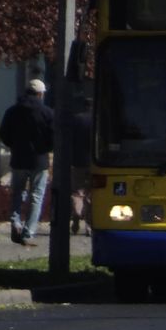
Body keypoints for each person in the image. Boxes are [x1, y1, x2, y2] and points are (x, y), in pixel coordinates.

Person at [0, 79, 55, 246]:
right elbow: (53, 136)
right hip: (39, 160)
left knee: (17, 193)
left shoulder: (12, 111)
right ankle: (28, 231)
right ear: (41, 94)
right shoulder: (47, 113)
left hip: (18, 159)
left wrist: (15, 145)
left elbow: (4, 133)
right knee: (36, 196)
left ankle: (15, 222)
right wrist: (44, 148)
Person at [70, 98, 93, 236]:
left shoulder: (76, 120)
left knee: (77, 192)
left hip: (77, 161)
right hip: (94, 163)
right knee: (91, 194)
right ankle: (89, 225)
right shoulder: (98, 120)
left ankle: (77, 215)